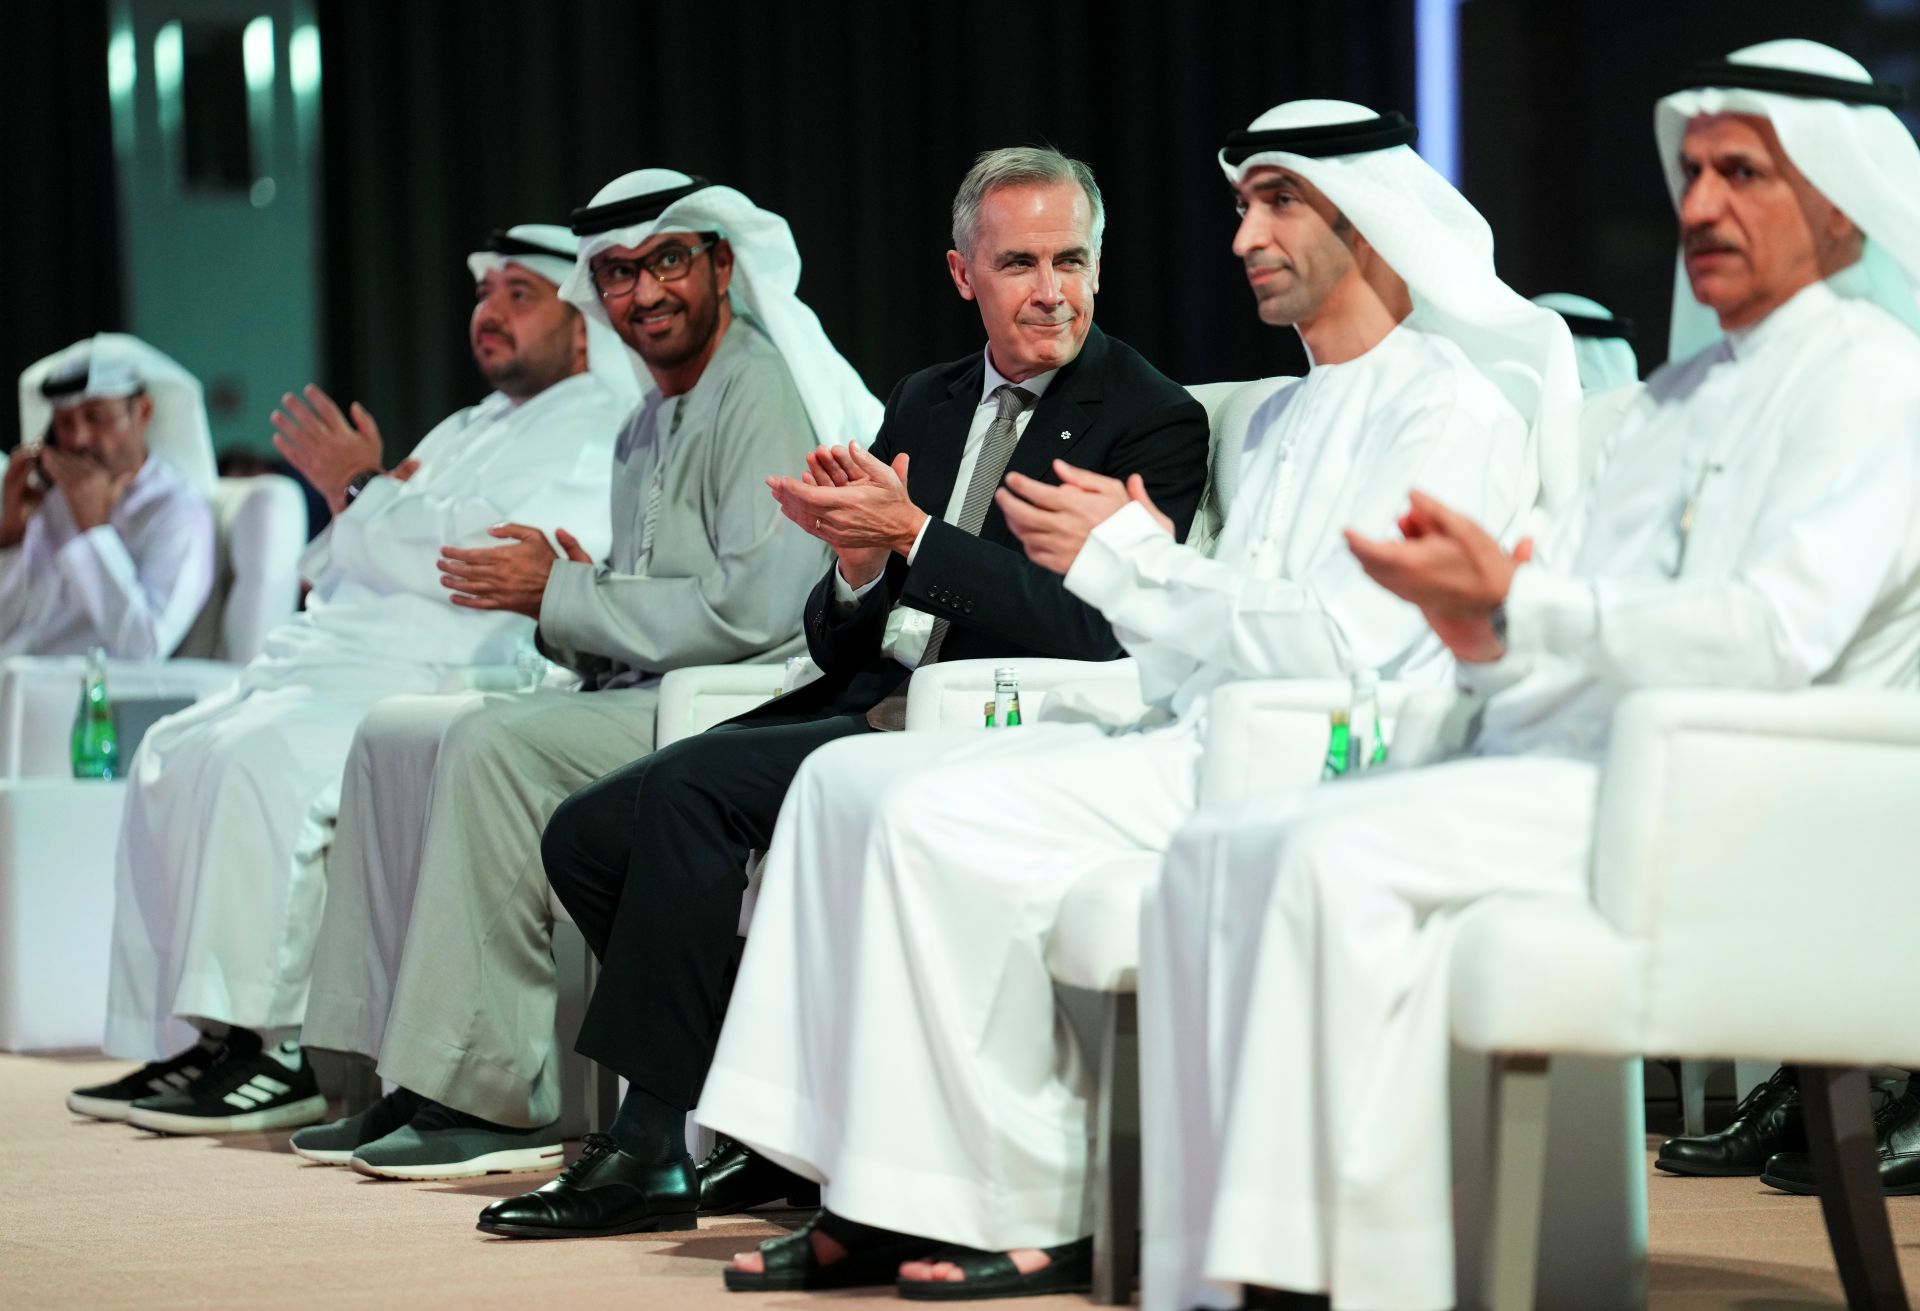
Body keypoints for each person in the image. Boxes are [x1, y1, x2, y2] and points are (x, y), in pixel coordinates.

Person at [701, 98, 1574, 1297]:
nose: (1243, 239)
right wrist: (1151, 575)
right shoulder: (1282, 414)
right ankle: (876, 1188)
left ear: (1367, 222)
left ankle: (1037, 1201)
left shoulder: (1450, 410)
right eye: (1241, 209)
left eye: (1277, 205)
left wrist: (1132, 562)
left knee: (926, 817)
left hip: (1316, 765)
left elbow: (1340, 646)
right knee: (847, 780)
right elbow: (1203, 630)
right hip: (1196, 728)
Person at [1142, 40, 1920, 1311]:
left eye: (1746, 174)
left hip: (1736, 809)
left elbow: (1777, 637)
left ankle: (1325, 1284)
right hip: (1593, 774)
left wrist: (1521, 605)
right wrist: (1482, 632)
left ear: (1837, 200)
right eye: (1694, 173)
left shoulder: (1883, 383)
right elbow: (1564, 614)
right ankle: (1282, 1272)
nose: (1702, 206)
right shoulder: (1673, 399)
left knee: (1325, 858)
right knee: (1227, 846)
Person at [479, 145, 1211, 1239]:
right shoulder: (928, 397)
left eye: (1072, 260)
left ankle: (648, 1146)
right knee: (589, 833)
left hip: (1009, 722)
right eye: (1019, 263)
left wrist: (913, 537)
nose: (1052, 290)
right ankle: (764, 1124)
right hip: (874, 696)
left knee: (689, 801)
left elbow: (1100, 629)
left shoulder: (1151, 416)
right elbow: (839, 629)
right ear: (965, 275)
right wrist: (862, 565)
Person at [290, 172, 876, 1181]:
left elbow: (760, 612)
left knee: (487, 747)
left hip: (752, 704)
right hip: (656, 690)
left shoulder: (759, 391)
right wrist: (562, 608)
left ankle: (488, 1091)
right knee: (403, 732)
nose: (641, 292)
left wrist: (563, 593)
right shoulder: (646, 419)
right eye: (614, 273)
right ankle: (378, 1069)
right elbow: (654, 599)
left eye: (664, 263)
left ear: (721, 266)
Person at [68, 224, 632, 1134]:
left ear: (582, 324)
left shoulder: (602, 420)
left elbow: (484, 559)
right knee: (179, 746)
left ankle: (280, 1045)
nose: (489, 313)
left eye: (519, 295)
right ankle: (205, 1034)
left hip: (460, 666)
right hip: (354, 653)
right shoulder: (470, 424)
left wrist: (369, 491)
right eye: (484, 296)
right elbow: (349, 557)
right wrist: (368, 500)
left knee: (259, 757)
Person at [1, 335, 216, 659]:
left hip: (82, 701)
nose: (78, 438)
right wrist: (11, 537)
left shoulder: (177, 512)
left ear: (142, 412)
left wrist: (93, 530)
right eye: (64, 423)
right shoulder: (52, 502)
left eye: (95, 417)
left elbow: (145, 647)